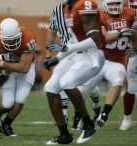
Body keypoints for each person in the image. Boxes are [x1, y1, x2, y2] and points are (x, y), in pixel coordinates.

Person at [44, 0, 105, 144]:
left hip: (92, 55)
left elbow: (95, 40)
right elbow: (70, 43)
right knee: (50, 88)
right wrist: (57, 58)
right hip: (74, 55)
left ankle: (88, 124)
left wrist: (65, 49)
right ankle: (65, 135)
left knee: (67, 82)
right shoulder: (66, 9)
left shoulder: (86, 4)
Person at [79, 0, 137, 128]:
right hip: (100, 60)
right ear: (105, 5)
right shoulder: (100, 16)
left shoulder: (129, 13)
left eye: (117, 3)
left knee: (118, 81)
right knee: (83, 90)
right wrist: (121, 33)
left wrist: (133, 45)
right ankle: (80, 117)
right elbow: (104, 38)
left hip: (119, 61)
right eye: (111, 4)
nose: (115, 6)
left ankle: (103, 115)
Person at [0, 18, 36, 137]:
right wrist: (1, 68)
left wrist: (3, 63)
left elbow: (24, 68)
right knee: (8, 103)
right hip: (7, 70)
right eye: (8, 40)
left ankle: (6, 125)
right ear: (1, 36)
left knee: (21, 98)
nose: (11, 42)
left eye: (14, 39)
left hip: (23, 66)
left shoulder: (28, 38)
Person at [119, 0, 137, 131]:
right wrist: (128, 47)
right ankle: (127, 118)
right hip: (134, 54)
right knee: (131, 87)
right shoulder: (125, 13)